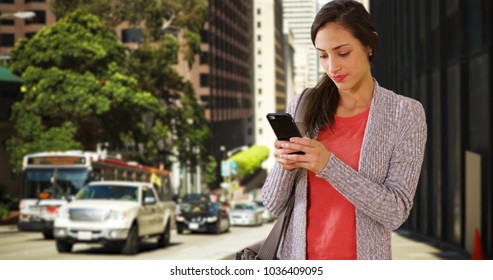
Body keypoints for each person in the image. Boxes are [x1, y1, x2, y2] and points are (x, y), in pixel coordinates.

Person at [262, 0, 427, 260]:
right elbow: (272, 204)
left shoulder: (405, 113)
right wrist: (286, 166)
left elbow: (396, 212)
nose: (332, 67)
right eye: (323, 55)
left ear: (369, 44)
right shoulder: (303, 105)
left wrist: (328, 166)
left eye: (343, 53)